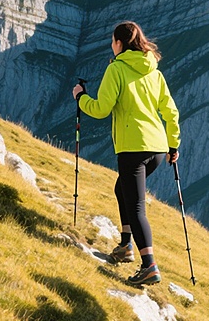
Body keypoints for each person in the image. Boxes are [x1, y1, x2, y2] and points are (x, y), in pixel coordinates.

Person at [73, 21, 180, 287]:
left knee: (136, 205)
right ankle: (125, 246)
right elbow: (171, 111)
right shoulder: (154, 72)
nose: (111, 45)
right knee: (123, 190)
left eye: (112, 41)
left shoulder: (116, 68)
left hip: (132, 147)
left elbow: (100, 109)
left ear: (119, 43)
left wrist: (80, 98)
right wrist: (173, 144)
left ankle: (149, 265)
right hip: (156, 147)